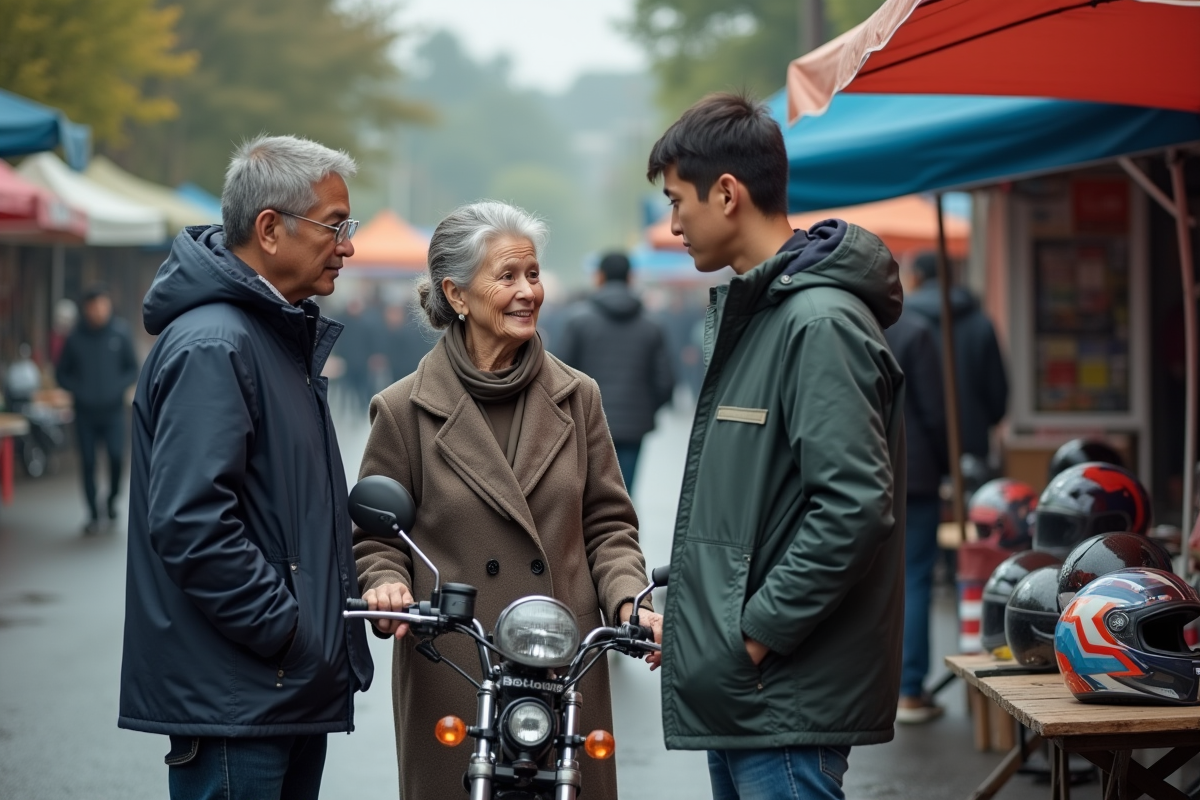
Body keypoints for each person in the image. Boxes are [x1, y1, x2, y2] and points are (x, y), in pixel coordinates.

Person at [354, 201, 662, 800]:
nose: (529, 291)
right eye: (508, 276)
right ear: (458, 294)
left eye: (534, 274)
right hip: (458, 662)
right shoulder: (403, 408)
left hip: (564, 662)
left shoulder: (579, 397)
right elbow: (379, 536)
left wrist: (629, 601)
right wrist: (385, 583)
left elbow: (608, 526)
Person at [646, 93, 906, 800]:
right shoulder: (766, 314)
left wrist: (750, 635)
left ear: (726, 193)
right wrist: (700, 622)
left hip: (785, 701)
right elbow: (754, 514)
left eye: (677, 202)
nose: (672, 226)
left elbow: (852, 509)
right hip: (750, 697)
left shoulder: (817, 322)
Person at [119, 134, 372, 800]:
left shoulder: (267, 332)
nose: (347, 245)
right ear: (269, 229)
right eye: (335, 226)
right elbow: (191, 523)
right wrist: (288, 631)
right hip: (243, 697)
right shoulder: (217, 343)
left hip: (270, 690)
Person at [555, 251, 675, 489]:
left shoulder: (578, 321)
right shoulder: (651, 326)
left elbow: (558, 375)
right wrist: (644, 409)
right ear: (631, 278)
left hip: (586, 425)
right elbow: (665, 381)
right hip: (633, 426)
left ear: (599, 277)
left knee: (585, 497)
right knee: (623, 493)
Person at [884, 310, 949, 723]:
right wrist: (947, 466)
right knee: (915, 577)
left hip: (854, 467)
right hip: (915, 471)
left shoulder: (830, 317)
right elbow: (935, 412)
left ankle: (881, 687)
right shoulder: (915, 331)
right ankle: (908, 689)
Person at [904, 251, 1008, 462]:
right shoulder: (981, 323)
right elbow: (998, 394)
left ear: (918, 277)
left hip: (917, 452)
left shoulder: (902, 323)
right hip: (971, 444)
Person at [56, 284, 139, 534]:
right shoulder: (75, 337)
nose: (99, 310)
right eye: (94, 306)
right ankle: (92, 513)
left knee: (116, 457)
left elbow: (132, 368)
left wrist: (117, 388)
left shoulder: (120, 333)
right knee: (89, 462)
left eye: (103, 305)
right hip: (84, 413)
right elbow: (61, 373)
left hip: (113, 411)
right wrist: (79, 390)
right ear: (86, 309)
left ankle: (112, 500)